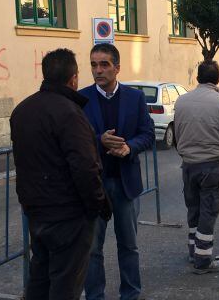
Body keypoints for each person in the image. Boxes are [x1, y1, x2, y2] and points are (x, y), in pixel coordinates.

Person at [10, 48, 111, 300]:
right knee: (65, 284)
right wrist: (97, 204)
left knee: (40, 278)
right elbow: (85, 167)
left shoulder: (22, 110)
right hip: (68, 214)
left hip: (36, 209)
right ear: (73, 78)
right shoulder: (70, 113)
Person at [79, 43, 154, 300]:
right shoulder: (82, 99)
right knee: (92, 249)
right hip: (94, 185)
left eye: (104, 64)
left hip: (125, 184)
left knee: (129, 246)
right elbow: (74, 140)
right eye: (93, 64)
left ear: (117, 68)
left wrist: (129, 148)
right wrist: (99, 140)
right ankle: (95, 296)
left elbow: (148, 134)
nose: (97, 70)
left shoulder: (135, 98)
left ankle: (131, 294)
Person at [173, 60, 219, 274]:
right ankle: (203, 260)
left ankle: (194, 251)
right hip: (211, 165)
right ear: (218, 79)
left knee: (193, 208)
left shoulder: (181, 101)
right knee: (208, 211)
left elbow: (177, 134)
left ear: (197, 78)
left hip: (188, 164)